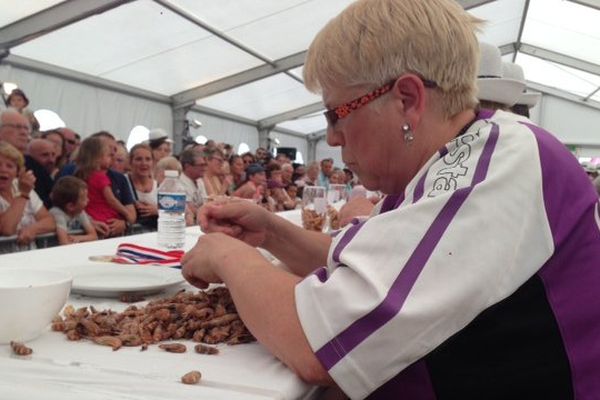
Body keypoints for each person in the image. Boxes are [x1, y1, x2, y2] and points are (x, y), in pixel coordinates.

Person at [181, 0, 600, 398]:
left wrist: (227, 257)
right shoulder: (452, 161)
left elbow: (314, 346)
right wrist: (270, 231)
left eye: (336, 113)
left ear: (407, 99)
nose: (331, 136)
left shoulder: (502, 160)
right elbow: (356, 263)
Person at [74, 137, 136, 237]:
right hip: (105, 219)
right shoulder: (100, 177)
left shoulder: (81, 174)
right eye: (109, 155)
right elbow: (111, 199)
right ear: (98, 158)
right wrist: (126, 213)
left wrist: (125, 223)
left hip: (92, 218)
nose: (113, 158)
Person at [0, 141, 54, 249]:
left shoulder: (19, 185)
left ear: (18, 171)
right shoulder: (25, 189)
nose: (3, 169)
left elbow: (50, 221)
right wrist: (23, 194)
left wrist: (33, 229)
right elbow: (6, 229)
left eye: (10, 166)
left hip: (29, 256)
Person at [49, 176, 97, 245]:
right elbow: (64, 242)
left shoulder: (80, 212)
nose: (88, 200)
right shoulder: (57, 214)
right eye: (84, 199)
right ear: (71, 206)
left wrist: (78, 238)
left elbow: (94, 236)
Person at [127, 143, 158, 229]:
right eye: (138, 159)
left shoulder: (159, 186)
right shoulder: (124, 183)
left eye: (148, 159)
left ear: (153, 162)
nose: (144, 163)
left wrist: (157, 210)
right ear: (130, 162)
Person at [25, 138, 56, 208]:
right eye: (45, 155)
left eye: (53, 155)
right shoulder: (33, 176)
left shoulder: (50, 175)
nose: (51, 160)